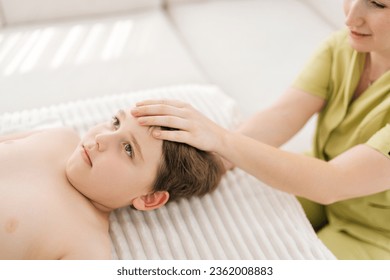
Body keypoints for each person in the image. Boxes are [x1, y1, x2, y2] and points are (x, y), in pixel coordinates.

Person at [131, 0, 390, 259]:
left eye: (378, 4)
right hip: (321, 180)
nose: (351, 17)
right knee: (223, 229)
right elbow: (282, 115)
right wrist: (201, 164)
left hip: (376, 232)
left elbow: (334, 182)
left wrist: (221, 139)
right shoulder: (342, 47)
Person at [0, 108, 224, 260]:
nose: (102, 138)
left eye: (128, 149)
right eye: (116, 122)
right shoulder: (58, 136)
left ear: (149, 198)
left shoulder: (86, 247)